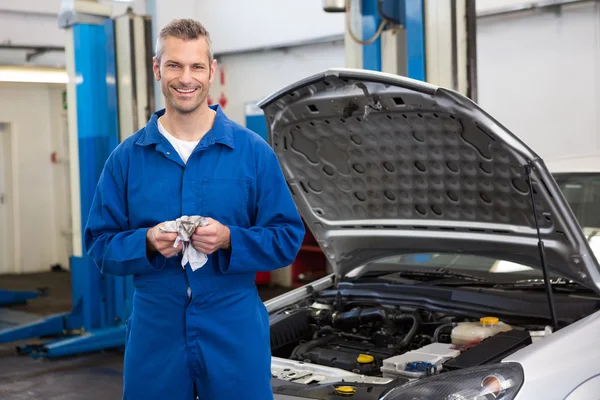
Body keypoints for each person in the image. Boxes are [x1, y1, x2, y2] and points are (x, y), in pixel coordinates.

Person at [84, 18, 305, 400]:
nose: (186, 78)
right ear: (157, 68)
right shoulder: (126, 159)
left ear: (211, 71)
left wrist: (230, 239)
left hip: (233, 324)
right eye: (174, 65)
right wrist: (147, 242)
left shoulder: (252, 153)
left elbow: (286, 238)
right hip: (156, 329)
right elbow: (100, 245)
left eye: (196, 66)